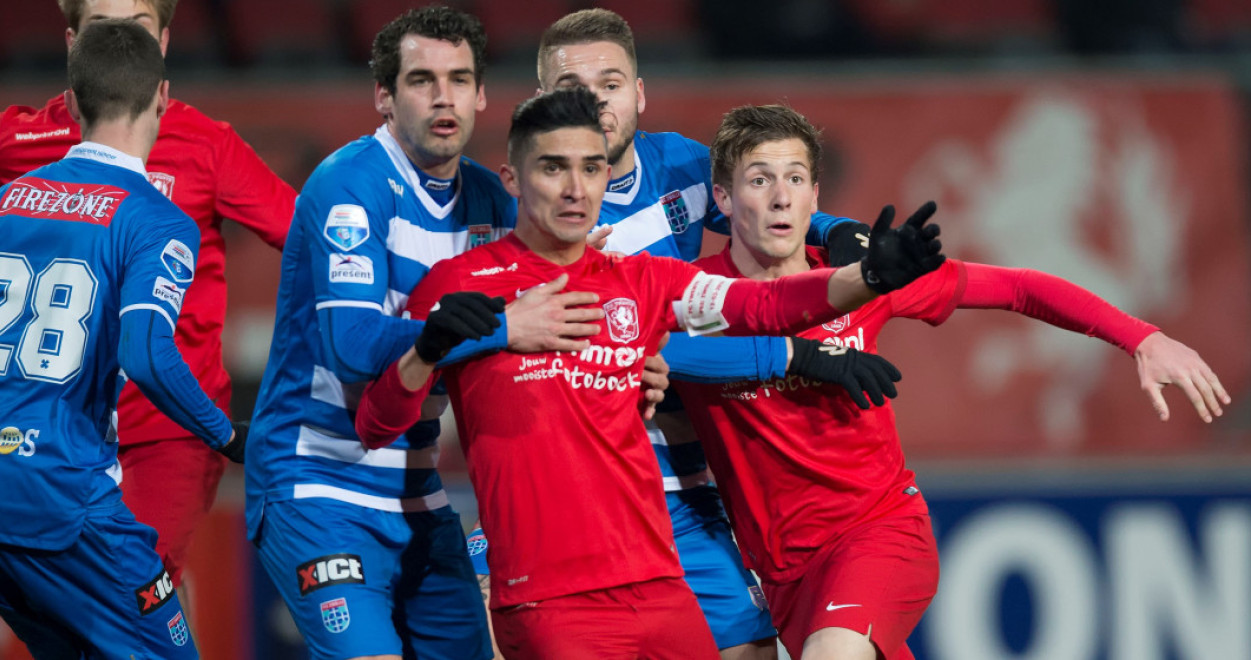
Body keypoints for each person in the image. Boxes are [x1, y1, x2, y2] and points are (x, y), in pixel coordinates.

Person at [353, 87, 947, 660]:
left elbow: (764, 307)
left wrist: (866, 278)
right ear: (511, 180)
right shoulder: (460, 287)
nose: (574, 188)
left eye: (590, 169)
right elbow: (377, 426)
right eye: (552, 168)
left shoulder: (643, 283)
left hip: (661, 593)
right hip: (552, 603)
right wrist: (425, 350)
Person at [669, 104, 1231, 660]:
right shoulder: (689, 297)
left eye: (794, 179)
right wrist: (787, 355)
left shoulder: (863, 279)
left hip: (876, 532)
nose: (780, 197)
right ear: (722, 199)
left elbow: (1019, 287)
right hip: (782, 568)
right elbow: (644, 352)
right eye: (759, 180)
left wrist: (1142, 339)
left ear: (816, 195)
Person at [0, 0, 295, 614]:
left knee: (131, 606)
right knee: (80, 628)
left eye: (138, 28)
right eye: (102, 28)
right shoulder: (18, 139)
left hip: (166, 432)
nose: (120, 40)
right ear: (72, 41)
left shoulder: (209, 145)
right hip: (51, 439)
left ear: (166, 42)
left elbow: (307, 234)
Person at [242, 8, 600, 658]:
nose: (444, 97)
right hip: (318, 480)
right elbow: (352, 347)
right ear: (383, 95)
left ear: (482, 94)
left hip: (417, 485)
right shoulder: (349, 188)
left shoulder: (494, 201)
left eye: (460, 79)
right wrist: (498, 326)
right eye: (421, 79)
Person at [531, 11, 885, 658]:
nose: (594, 104)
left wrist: (835, 231)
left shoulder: (684, 167)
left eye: (609, 84)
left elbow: (755, 195)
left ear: (638, 93)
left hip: (683, 472)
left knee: (750, 649)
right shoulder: (536, 210)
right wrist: (789, 355)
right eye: (571, 88)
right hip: (574, 475)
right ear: (540, 105)